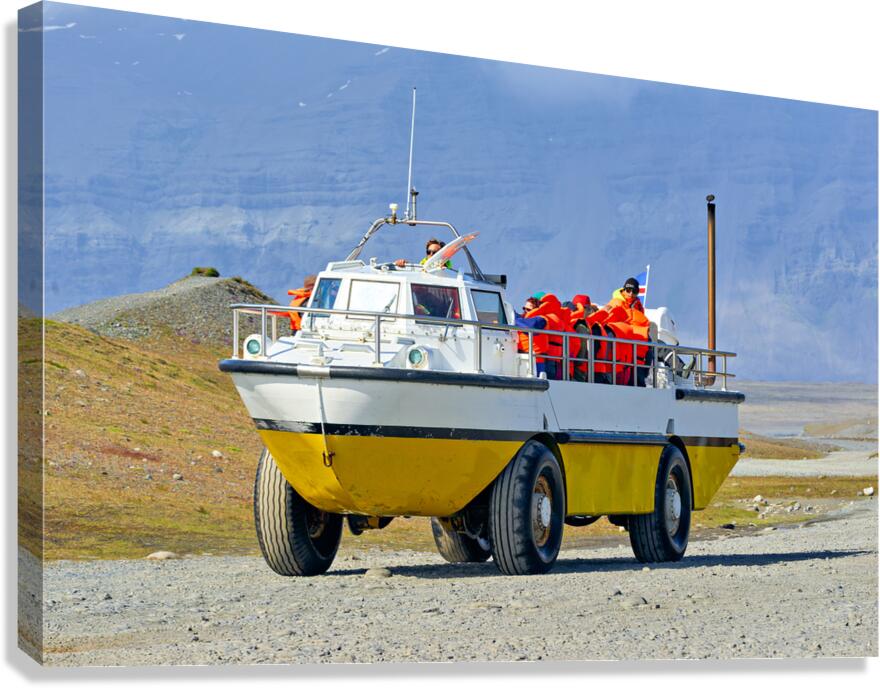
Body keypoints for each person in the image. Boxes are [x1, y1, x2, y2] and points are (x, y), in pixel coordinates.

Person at [515, 297, 550, 377]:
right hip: (521, 358)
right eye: (524, 308)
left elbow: (530, 327)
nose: (525, 311)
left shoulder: (542, 319)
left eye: (528, 309)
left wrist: (514, 319)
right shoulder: (522, 319)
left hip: (536, 361)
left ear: (536, 309)